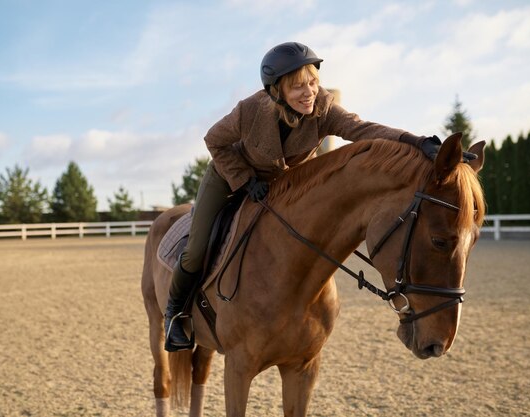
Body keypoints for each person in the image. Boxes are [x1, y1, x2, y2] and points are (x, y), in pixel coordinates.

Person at [163, 41, 475, 352]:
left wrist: (416, 141)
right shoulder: (250, 111)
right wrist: (243, 180)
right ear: (276, 92)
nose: (309, 92)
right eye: (298, 87)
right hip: (227, 176)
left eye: (313, 82)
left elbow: (362, 129)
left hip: (279, 184)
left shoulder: (323, 108)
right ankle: (175, 315)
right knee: (196, 248)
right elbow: (213, 141)